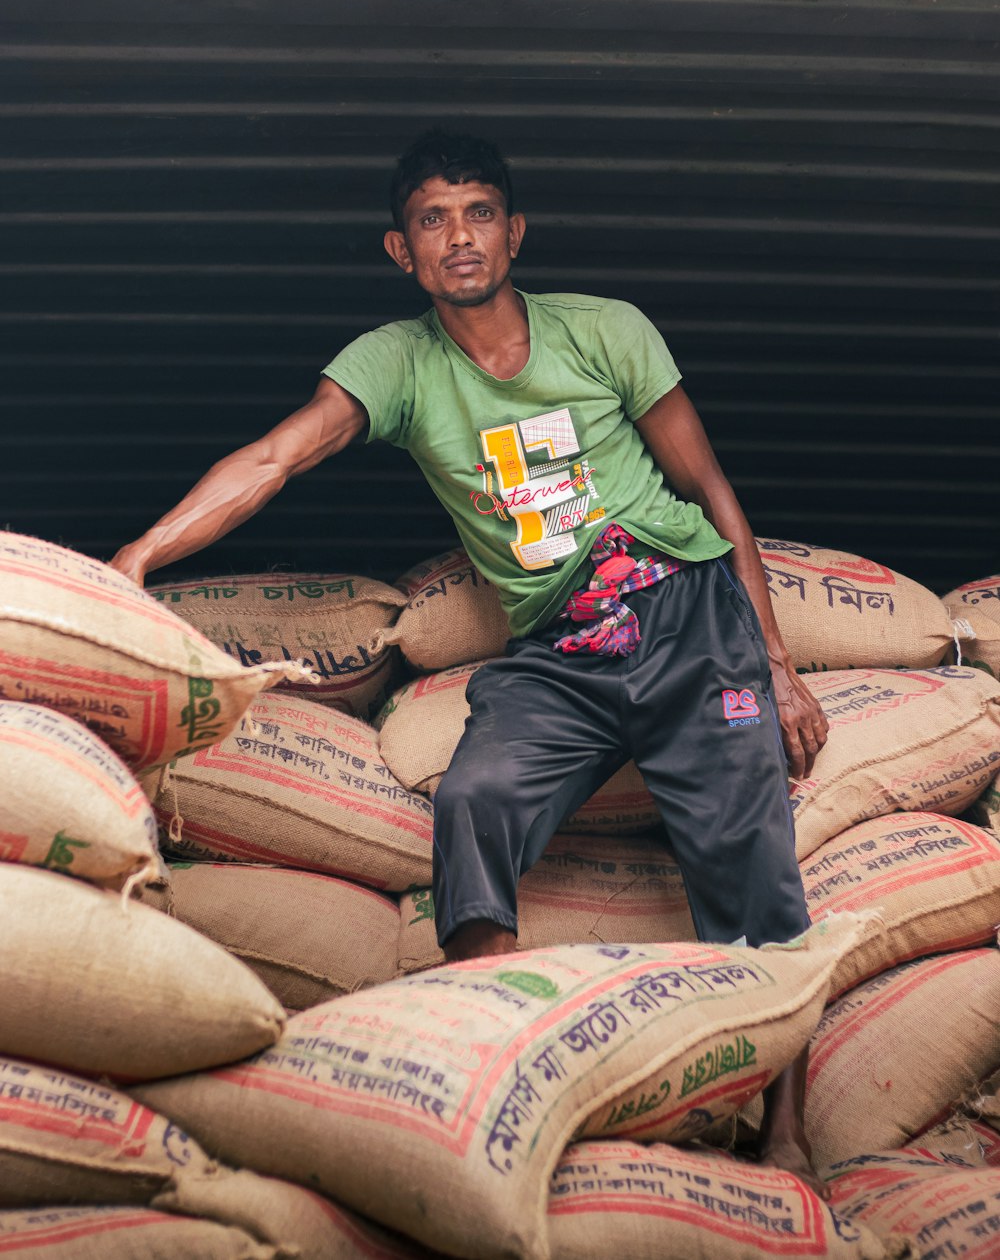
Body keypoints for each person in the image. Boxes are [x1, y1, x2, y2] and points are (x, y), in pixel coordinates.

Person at [112, 129, 830, 1193]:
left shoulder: (604, 331)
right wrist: (140, 555)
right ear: (401, 251)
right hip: (558, 653)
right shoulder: (396, 363)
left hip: (683, 611)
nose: (460, 236)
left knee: (746, 845)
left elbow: (712, 492)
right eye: (434, 219)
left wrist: (772, 659)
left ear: (515, 230)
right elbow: (276, 455)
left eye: (479, 212)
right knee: (474, 799)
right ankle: (480, 1061)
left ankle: (785, 1129)